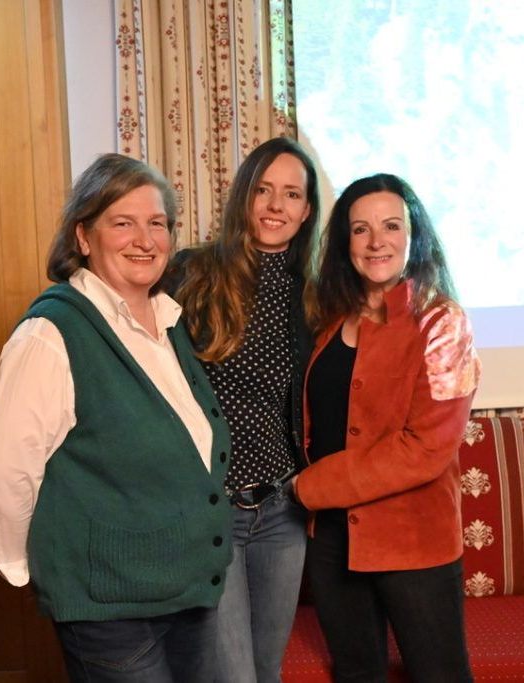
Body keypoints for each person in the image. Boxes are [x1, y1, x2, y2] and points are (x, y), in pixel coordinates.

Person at [0, 153, 233, 682]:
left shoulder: (170, 323)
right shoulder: (51, 334)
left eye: (157, 223)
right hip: (110, 611)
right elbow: (1, 474)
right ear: (83, 236)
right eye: (123, 223)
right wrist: (31, 569)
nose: (145, 239)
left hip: (188, 594)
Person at [291, 173, 481, 682]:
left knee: (440, 675)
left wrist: (310, 487)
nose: (377, 241)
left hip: (412, 539)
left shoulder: (443, 324)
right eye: (361, 229)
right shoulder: (331, 317)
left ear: (414, 235)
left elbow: (425, 449)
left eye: (391, 226)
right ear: (345, 242)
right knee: (356, 674)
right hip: (332, 539)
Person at [167, 136, 320, 683]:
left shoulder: (315, 295)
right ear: (243, 196)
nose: (276, 206)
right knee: (233, 677)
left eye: (292, 194)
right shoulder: (191, 274)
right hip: (214, 510)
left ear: (307, 211)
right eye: (263, 190)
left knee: (266, 670)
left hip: (282, 511)